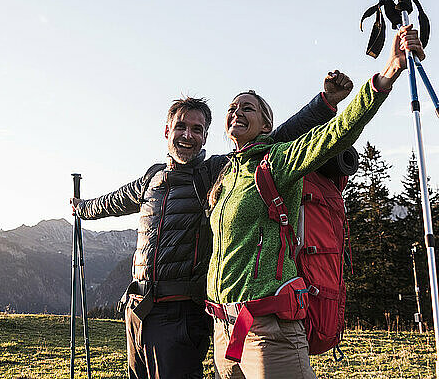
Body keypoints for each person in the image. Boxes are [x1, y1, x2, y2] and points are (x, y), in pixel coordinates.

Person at [71, 80, 352, 379]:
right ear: (167, 132)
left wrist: (324, 103)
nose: (188, 135)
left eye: (197, 129)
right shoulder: (150, 178)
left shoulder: (217, 172)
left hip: (181, 315)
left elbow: (277, 136)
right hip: (139, 311)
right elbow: (112, 202)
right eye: (181, 127)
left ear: (205, 138)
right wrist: (82, 208)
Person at [205, 25, 424, 379]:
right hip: (224, 331)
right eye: (232, 108)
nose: (236, 113)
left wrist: (388, 74)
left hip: (269, 331)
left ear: (266, 125)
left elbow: (335, 135)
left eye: (247, 108)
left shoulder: (276, 160)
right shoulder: (227, 175)